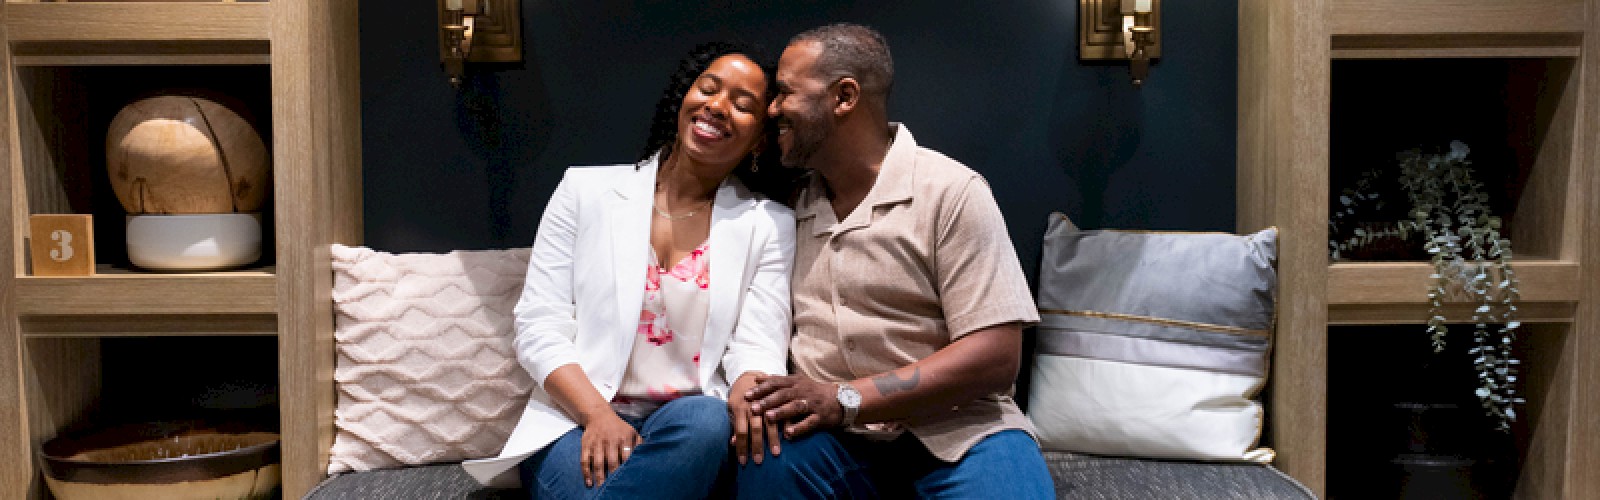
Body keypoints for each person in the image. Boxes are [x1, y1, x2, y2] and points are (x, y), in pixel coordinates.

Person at [461, 42, 796, 499]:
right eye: (709, 89)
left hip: (691, 423)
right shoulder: (585, 190)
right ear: (684, 98)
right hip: (574, 414)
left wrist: (748, 385)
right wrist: (598, 415)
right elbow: (539, 325)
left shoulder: (767, 223)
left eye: (742, 105)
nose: (717, 107)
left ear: (759, 138)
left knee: (704, 423)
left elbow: (759, 342)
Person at [734, 23, 1055, 498]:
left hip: (961, 432)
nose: (773, 108)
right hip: (831, 442)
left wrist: (846, 398)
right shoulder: (786, 205)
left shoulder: (951, 191)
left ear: (844, 97)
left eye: (784, 93)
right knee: (764, 466)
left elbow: (995, 357)